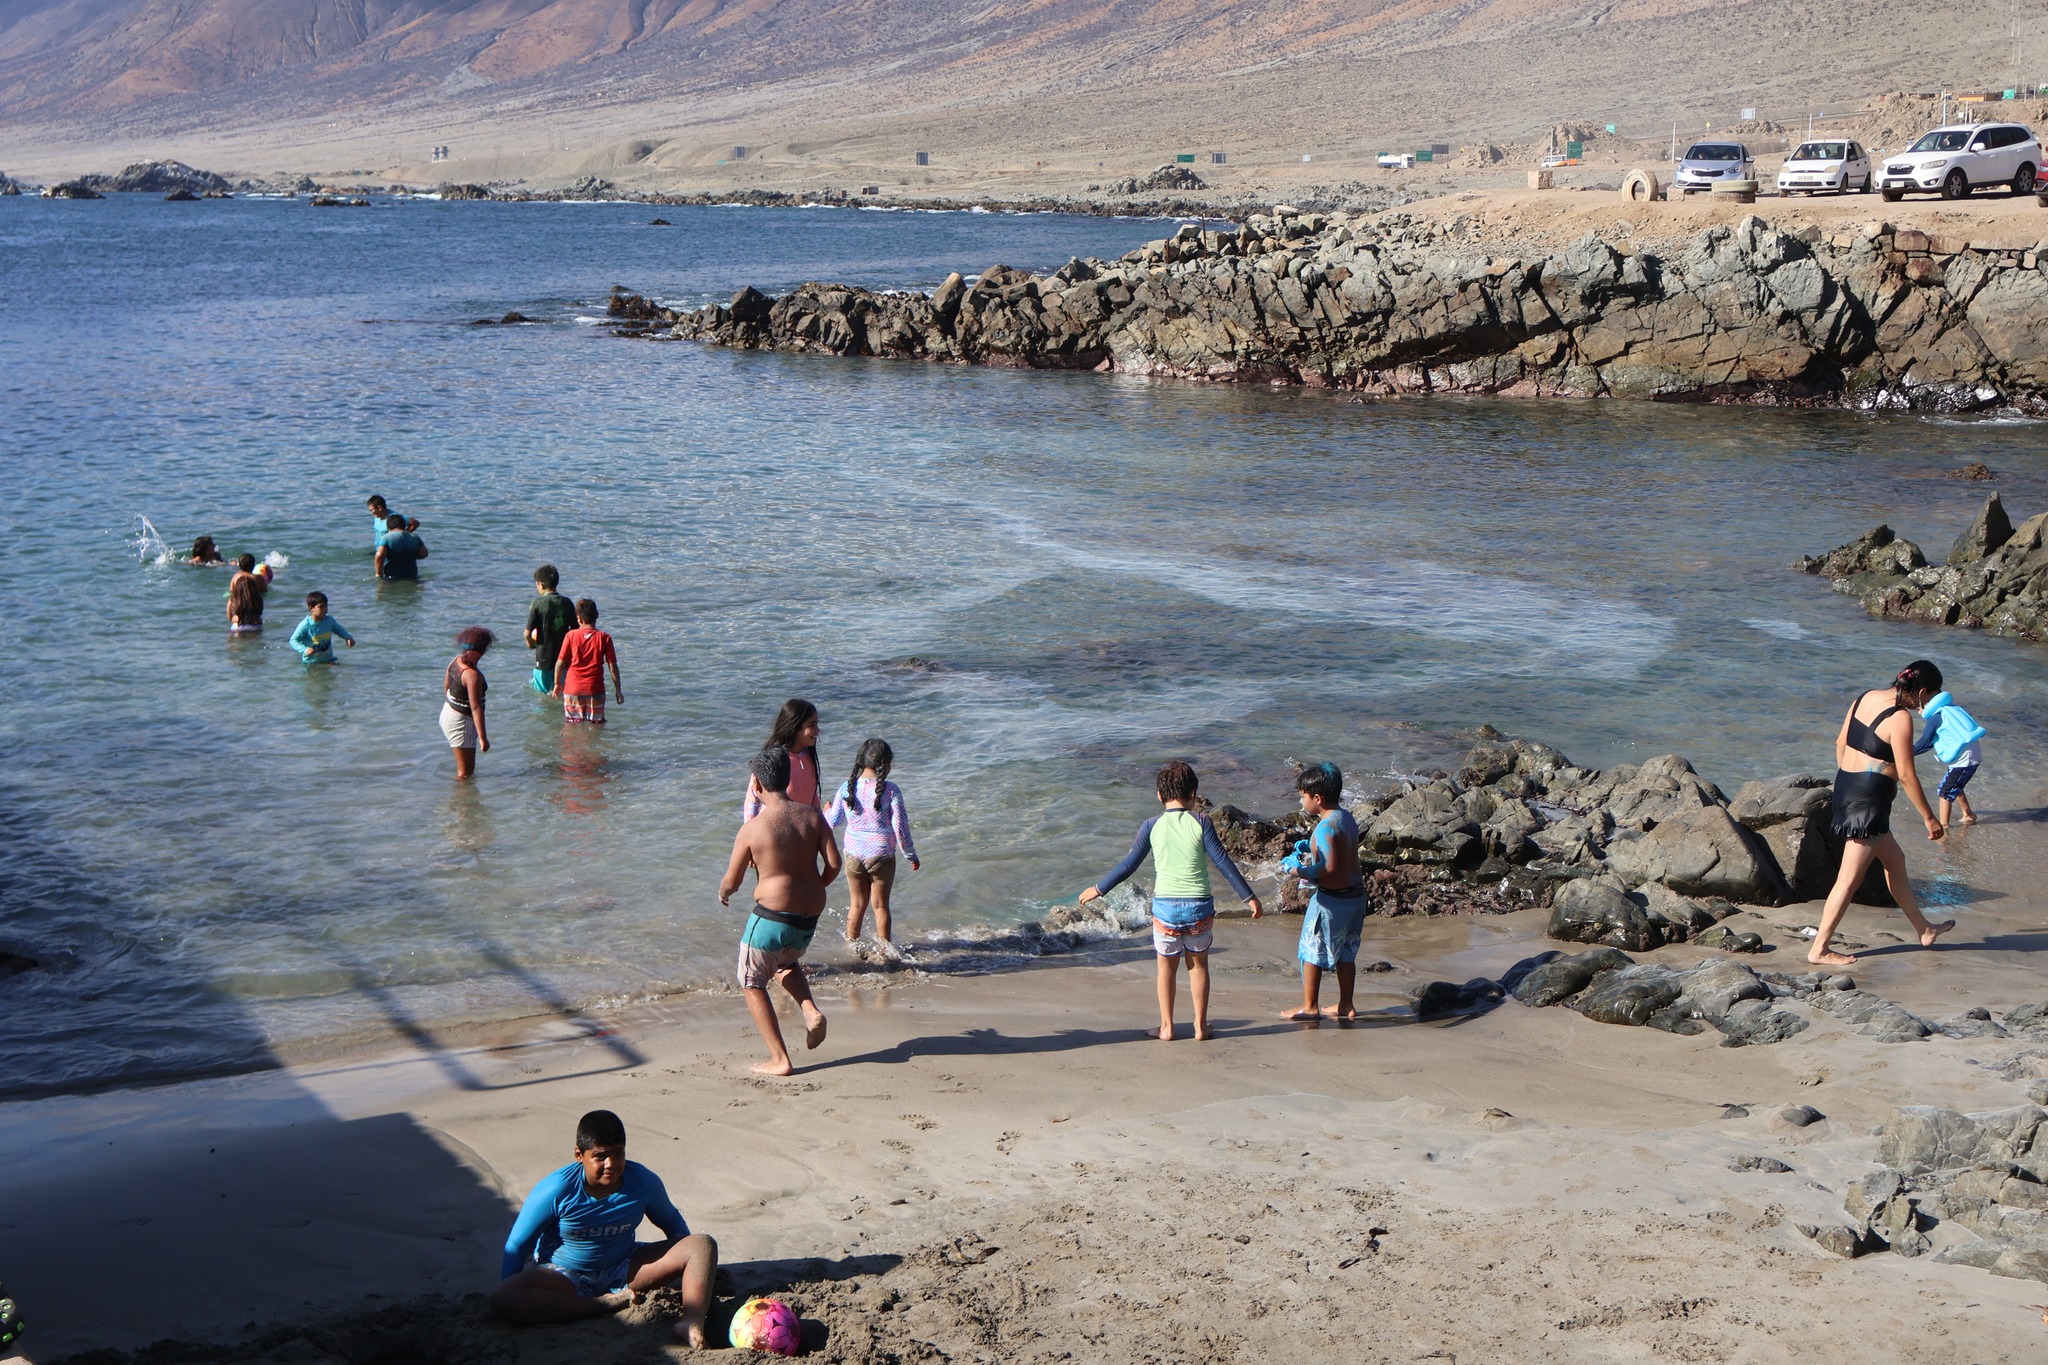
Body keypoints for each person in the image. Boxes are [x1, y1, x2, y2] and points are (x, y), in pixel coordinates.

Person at [492, 1109, 717, 1346]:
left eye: (618, 1154)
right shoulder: (556, 1190)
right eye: (600, 1156)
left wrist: (697, 1268)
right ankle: (601, 1304)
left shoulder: (643, 1182)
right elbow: (517, 1245)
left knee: (702, 1245)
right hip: (564, 1275)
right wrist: (510, 1287)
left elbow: (674, 1226)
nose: (611, 1164)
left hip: (623, 1268)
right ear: (579, 1154)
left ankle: (691, 1322)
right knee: (503, 1297)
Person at [1078, 761, 1263, 1042]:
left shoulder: (1150, 826)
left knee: (1166, 968)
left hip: (1165, 908)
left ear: (1159, 795)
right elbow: (1223, 861)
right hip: (1199, 906)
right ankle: (1200, 1027)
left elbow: (1129, 865)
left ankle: (1167, 1027)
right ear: (1193, 793)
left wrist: (1098, 888)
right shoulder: (1202, 822)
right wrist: (1249, 897)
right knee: (1198, 965)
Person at [1810, 661, 1956, 967]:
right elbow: (1906, 774)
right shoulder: (1900, 718)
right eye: (1927, 699)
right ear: (1922, 691)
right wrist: (1929, 817)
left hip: (1847, 789)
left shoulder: (1864, 697)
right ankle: (1820, 949)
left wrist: (1850, 783)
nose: (1925, 706)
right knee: (1848, 880)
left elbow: (1840, 743)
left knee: (1895, 861)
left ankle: (1925, 930)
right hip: (1869, 803)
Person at [721, 745, 841, 1075]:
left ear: (757, 785)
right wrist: (815, 885)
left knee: (751, 980)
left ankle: (780, 1059)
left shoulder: (752, 829)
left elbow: (733, 880)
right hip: (806, 921)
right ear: (788, 779)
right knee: (785, 960)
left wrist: (724, 893)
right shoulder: (813, 816)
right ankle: (810, 1009)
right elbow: (834, 864)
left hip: (772, 918)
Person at [1282, 762, 1367, 1021]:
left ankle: (1310, 1006)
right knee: (1345, 953)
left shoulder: (1324, 827)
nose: (1301, 800)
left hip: (1331, 902)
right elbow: (1341, 849)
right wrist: (1310, 846)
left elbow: (1327, 867)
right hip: (1355, 898)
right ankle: (1345, 1004)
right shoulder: (1346, 817)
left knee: (1311, 949)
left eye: (1302, 796)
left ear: (1317, 799)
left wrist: (1297, 871)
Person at [825, 738, 920, 943]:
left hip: (853, 853)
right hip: (881, 854)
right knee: (880, 906)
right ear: (886, 764)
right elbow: (901, 827)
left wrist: (825, 811)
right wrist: (910, 855)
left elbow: (833, 821)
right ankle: (886, 951)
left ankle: (852, 946)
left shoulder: (846, 788)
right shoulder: (891, 790)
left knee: (857, 905)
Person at [1915, 687, 1987, 828]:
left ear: (1928, 705)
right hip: (1969, 756)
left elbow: (1924, 742)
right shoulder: (1950, 709)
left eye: (1920, 707)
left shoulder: (1936, 717)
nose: (1918, 711)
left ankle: (1944, 827)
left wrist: (1904, 753)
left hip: (1965, 760)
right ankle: (1968, 814)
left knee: (1945, 792)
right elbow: (1930, 743)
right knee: (1955, 785)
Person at [742, 699, 823, 820]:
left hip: (802, 832)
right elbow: (752, 799)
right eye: (812, 725)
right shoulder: (774, 760)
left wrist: (819, 826)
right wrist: (750, 829)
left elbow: (813, 798)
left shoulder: (808, 757)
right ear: (795, 727)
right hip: (774, 830)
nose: (818, 730)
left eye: (817, 724)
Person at [553, 598, 622, 724]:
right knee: (597, 727)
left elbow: (560, 663)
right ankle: (594, 744)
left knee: (572, 727)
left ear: (579, 619)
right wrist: (618, 691)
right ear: (597, 616)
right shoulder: (605, 638)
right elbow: (613, 667)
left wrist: (557, 683)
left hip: (573, 689)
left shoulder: (570, 635)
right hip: (595, 690)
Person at [440, 627, 492, 779]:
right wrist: (483, 738)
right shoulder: (472, 675)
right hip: (462, 723)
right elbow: (476, 708)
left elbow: (446, 687)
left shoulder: (455, 662)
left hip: (448, 713)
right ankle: (460, 802)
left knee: (465, 771)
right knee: (465, 774)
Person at [525, 565, 577, 694]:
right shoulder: (567, 603)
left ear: (541, 584)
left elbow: (527, 633)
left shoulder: (537, 603)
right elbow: (575, 631)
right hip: (563, 658)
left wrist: (531, 644)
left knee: (542, 695)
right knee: (561, 693)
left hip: (543, 658)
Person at [288, 591, 355, 664]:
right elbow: (293, 640)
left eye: (326, 606)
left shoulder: (329, 620)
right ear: (311, 608)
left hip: (328, 659)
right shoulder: (306, 625)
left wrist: (348, 637)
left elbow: (338, 629)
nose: (325, 609)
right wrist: (304, 649)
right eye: (321, 607)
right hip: (311, 663)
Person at [374, 515, 428, 580]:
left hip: (392, 578)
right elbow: (424, 554)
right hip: (412, 577)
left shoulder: (386, 537)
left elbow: (379, 556)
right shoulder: (415, 537)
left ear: (388, 527)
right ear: (404, 526)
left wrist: (378, 574)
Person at [225, 554, 266, 632]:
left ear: (240, 565)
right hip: (256, 626)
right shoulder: (258, 578)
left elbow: (231, 592)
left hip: (237, 626)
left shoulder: (236, 577)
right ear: (254, 565)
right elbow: (265, 592)